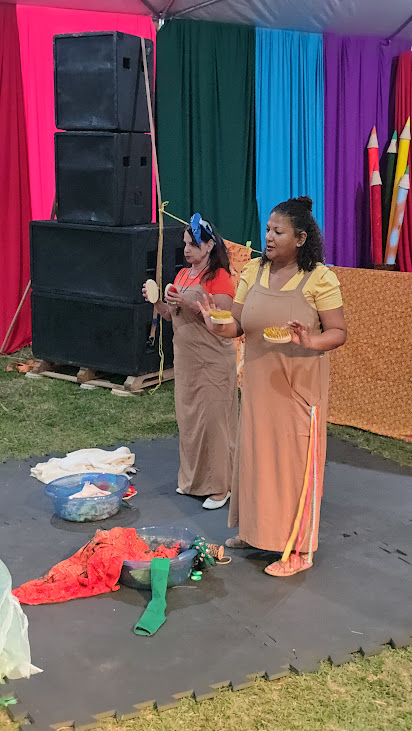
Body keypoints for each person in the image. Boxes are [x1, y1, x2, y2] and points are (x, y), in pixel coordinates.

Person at [198, 197, 346, 574]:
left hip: (297, 390)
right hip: (259, 386)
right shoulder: (253, 270)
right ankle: (256, 531)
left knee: (292, 467)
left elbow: (338, 332)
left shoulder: (320, 279)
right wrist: (216, 326)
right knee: (257, 461)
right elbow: (238, 325)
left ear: (300, 238)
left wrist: (310, 340)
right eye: (267, 229)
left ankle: (298, 552)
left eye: (278, 232)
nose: (268, 237)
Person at [143, 213, 237, 509]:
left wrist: (188, 303)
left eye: (193, 244)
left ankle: (221, 487)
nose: (186, 249)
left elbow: (224, 317)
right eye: (184, 244)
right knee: (190, 421)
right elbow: (171, 315)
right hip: (186, 362)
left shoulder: (220, 277)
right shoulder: (183, 275)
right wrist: (157, 301)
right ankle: (193, 481)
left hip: (213, 360)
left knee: (214, 422)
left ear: (209, 246)